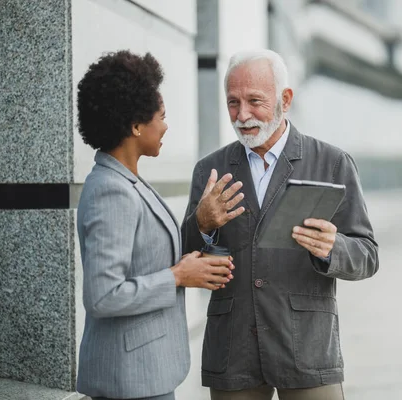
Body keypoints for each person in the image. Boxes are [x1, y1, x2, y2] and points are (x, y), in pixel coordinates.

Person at [181, 49, 379, 400]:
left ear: (285, 100)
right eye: (232, 103)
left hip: (306, 348)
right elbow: (186, 256)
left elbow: (367, 255)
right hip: (233, 350)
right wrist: (202, 223)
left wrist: (333, 248)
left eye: (255, 101)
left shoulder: (332, 163)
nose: (242, 115)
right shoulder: (209, 170)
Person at [75, 50, 235, 400]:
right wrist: (179, 276)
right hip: (129, 382)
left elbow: (148, 256)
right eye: (161, 117)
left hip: (145, 374)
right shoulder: (111, 192)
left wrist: (202, 227)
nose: (165, 126)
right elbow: (102, 296)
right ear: (135, 125)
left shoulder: (127, 181)